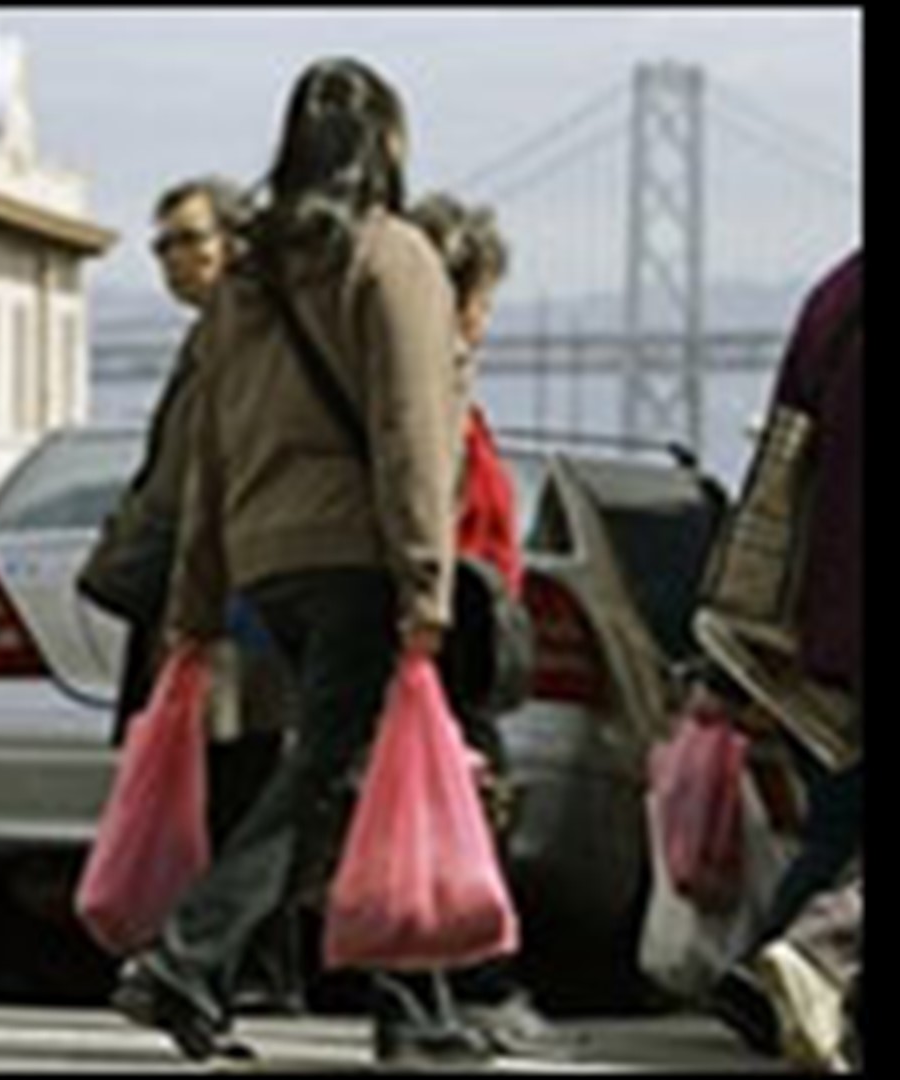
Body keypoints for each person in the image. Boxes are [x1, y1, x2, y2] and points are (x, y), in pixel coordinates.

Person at [109, 58, 488, 1069]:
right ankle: (188, 959)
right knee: (329, 774)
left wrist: (195, 601)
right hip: (360, 557)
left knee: (365, 773)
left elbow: (211, 451)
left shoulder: (249, 276)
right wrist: (426, 579)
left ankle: (415, 1007)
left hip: (268, 564)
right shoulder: (393, 256)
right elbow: (413, 430)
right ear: (387, 146)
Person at [79, 175, 306, 1015]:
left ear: (232, 244)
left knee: (239, 777)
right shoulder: (219, 334)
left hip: (226, 592)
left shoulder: (239, 336)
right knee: (218, 778)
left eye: (188, 240)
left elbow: (200, 473)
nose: (172, 259)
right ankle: (236, 960)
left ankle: (244, 964)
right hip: (205, 584)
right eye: (162, 243)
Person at [403, 192, 582, 1060]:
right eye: (481, 299)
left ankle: (447, 990)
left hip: (455, 634)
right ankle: (473, 985)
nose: (486, 319)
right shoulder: (427, 388)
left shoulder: (446, 387)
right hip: (447, 638)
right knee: (466, 811)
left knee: (452, 813)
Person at [691, 249, 862, 1061]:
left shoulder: (836, 292)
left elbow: (786, 442)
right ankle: (806, 959)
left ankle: (770, 977)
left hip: (830, 606)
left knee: (842, 817)